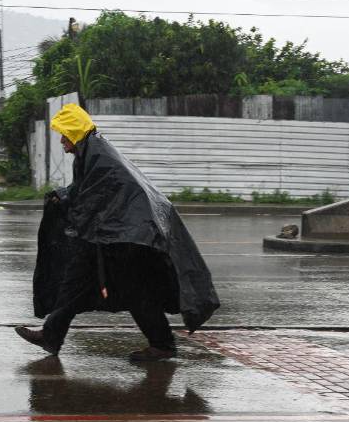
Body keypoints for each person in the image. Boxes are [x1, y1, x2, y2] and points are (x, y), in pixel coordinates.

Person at [15, 104, 219, 361]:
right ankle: (51, 335)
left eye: (65, 134)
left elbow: (100, 194)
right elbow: (87, 191)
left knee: (135, 290)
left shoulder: (98, 155)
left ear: (75, 132)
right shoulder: (90, 152)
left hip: (128, 237)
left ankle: (162, 344)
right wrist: (64, 198)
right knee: (75, 283)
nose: (61, 140)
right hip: (111, 234)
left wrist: (68, 202)